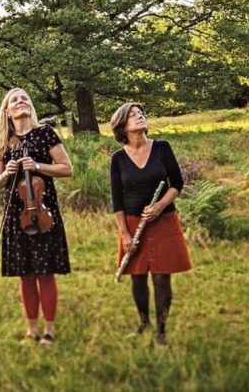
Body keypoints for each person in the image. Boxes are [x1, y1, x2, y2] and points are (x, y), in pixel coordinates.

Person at [0, 88, 73, 345]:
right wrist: (7, 174)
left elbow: (66, 169)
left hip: (43, 211)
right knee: (25, 273)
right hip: (17, 214)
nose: (21, 101)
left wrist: (37, 166)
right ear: (8, 112)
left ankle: (49, 330)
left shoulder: (45, 133)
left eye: (24, 98)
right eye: (14, 100)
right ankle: (32, 330)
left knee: (45, 272)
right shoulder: (6, 142)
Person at [109, 102, 192, 346]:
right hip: (134, 224)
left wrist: (159, 206)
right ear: (123, 125)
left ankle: (161, 330)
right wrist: (125, 234)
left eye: (141, 114)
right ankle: (144, 321)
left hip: (164, 221)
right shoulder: (118, 159)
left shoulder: (162, 148)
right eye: (133, 115)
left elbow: (177, 183)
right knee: (137, 277)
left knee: (161, 277)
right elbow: (117, 201)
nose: (140, 117)